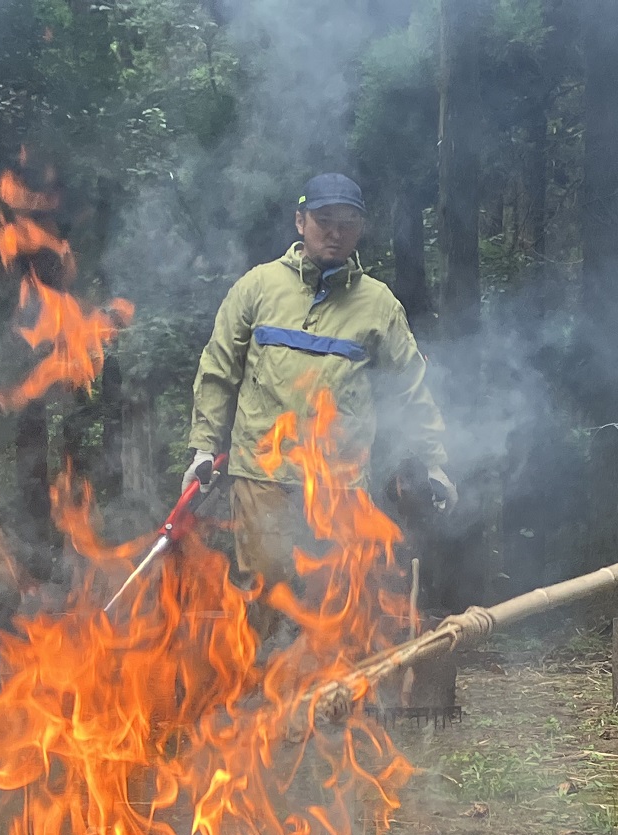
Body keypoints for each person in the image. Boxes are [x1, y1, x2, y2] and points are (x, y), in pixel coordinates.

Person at [183, 173, 456, 593]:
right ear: (300, 222)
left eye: (347, 222)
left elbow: (410, 385)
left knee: (333, 596)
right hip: (262, 476)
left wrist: (433, 460)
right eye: (323, 219)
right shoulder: (257, 287)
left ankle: (336, 662)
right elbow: (219, 367)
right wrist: (204, 446)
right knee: (267, 586)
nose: (335, 231)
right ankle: (262, 660)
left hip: (339, 481)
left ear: (360, 230)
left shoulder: (378, 303)